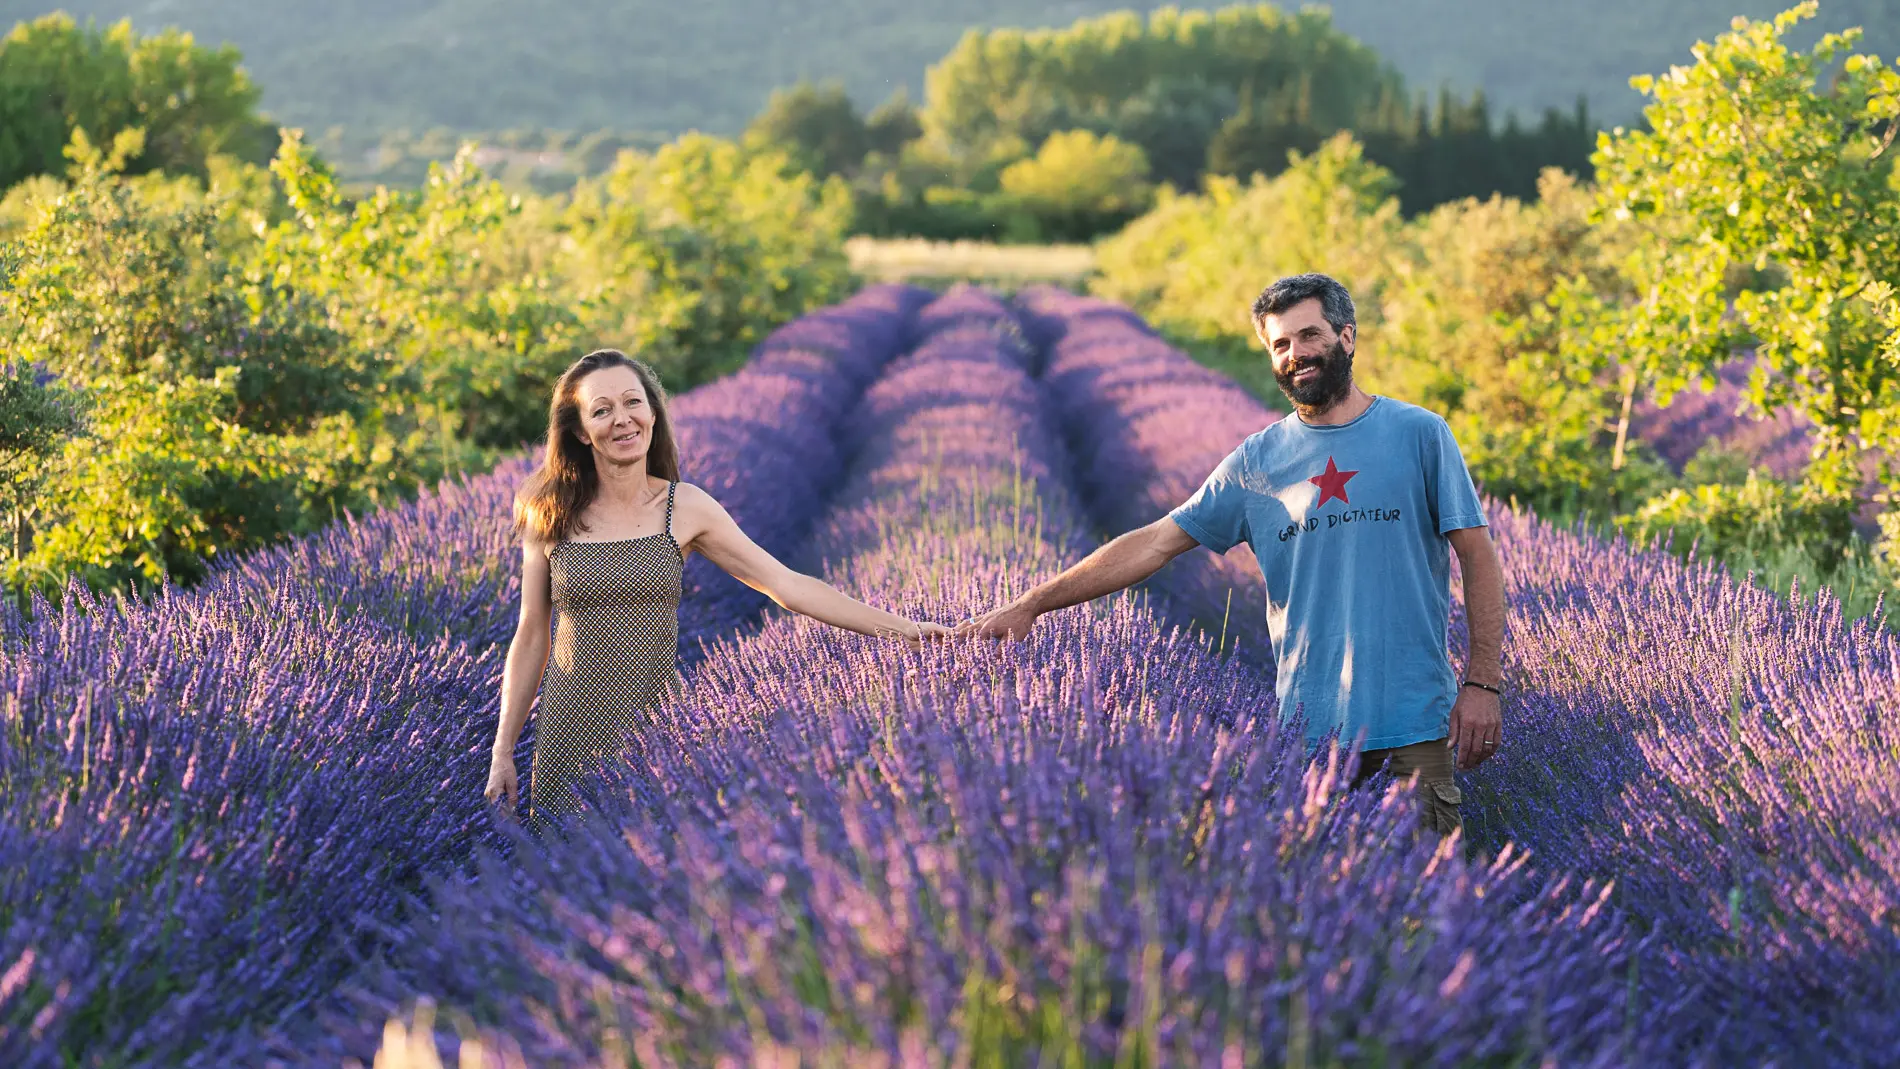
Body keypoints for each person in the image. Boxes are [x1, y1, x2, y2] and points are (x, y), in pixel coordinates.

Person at [958, 273, 1505, 835]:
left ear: (1346, 337)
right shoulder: (1257, 461)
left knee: (1431, 884)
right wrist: (1031, 604)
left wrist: (1482, 683)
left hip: (1414, 728)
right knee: (1329, 889)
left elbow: (1478, 556)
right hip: (1310, 738)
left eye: (1309, 335)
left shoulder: (1419, 434)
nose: (1295, 354)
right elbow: (1154, 543)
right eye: (1280, 344)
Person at [486, 349, 949, 822]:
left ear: (652, 413)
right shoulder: (548, 508)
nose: (622, 420)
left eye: (632, 402)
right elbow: (531, 632)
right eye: (602, 410)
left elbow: (787, 585)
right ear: (582, 431)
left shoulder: (685, 507)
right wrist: (503, 749)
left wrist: (907, 630)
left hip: (654, 728)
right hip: (568, 730)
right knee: (561, 855)